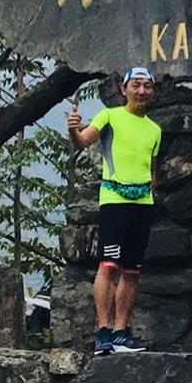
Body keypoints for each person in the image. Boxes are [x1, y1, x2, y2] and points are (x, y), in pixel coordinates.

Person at [67, 65, 162, 355]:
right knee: (108, 265)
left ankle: (121, 332)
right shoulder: (109, 116)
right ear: (124, 89)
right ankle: (103, 332)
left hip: (142, 203)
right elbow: (83, 140)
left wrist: (152, 195)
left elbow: (152, 171)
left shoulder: (155, 129)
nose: (142, 91)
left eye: (147, 86)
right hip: (114, 200)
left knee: (132, 271)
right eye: (136, 85)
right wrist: (73, 129)